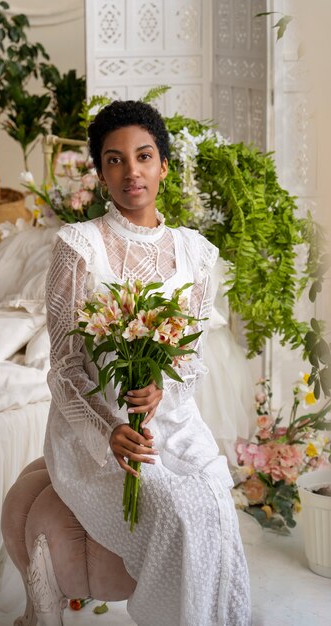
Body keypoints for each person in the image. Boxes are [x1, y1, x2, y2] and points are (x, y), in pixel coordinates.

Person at [44, 100, 251, 626]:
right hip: (93, 436)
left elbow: (192, 360)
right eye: (114, 160)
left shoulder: (198, 253)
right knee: (179, 511)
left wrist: (162, 391)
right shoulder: (77, 246)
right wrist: (108, 429)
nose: (131, 171)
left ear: (163, 165)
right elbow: (64, 367)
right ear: (100, 172)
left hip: (174, 422)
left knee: (214, 502)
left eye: (143, 156)